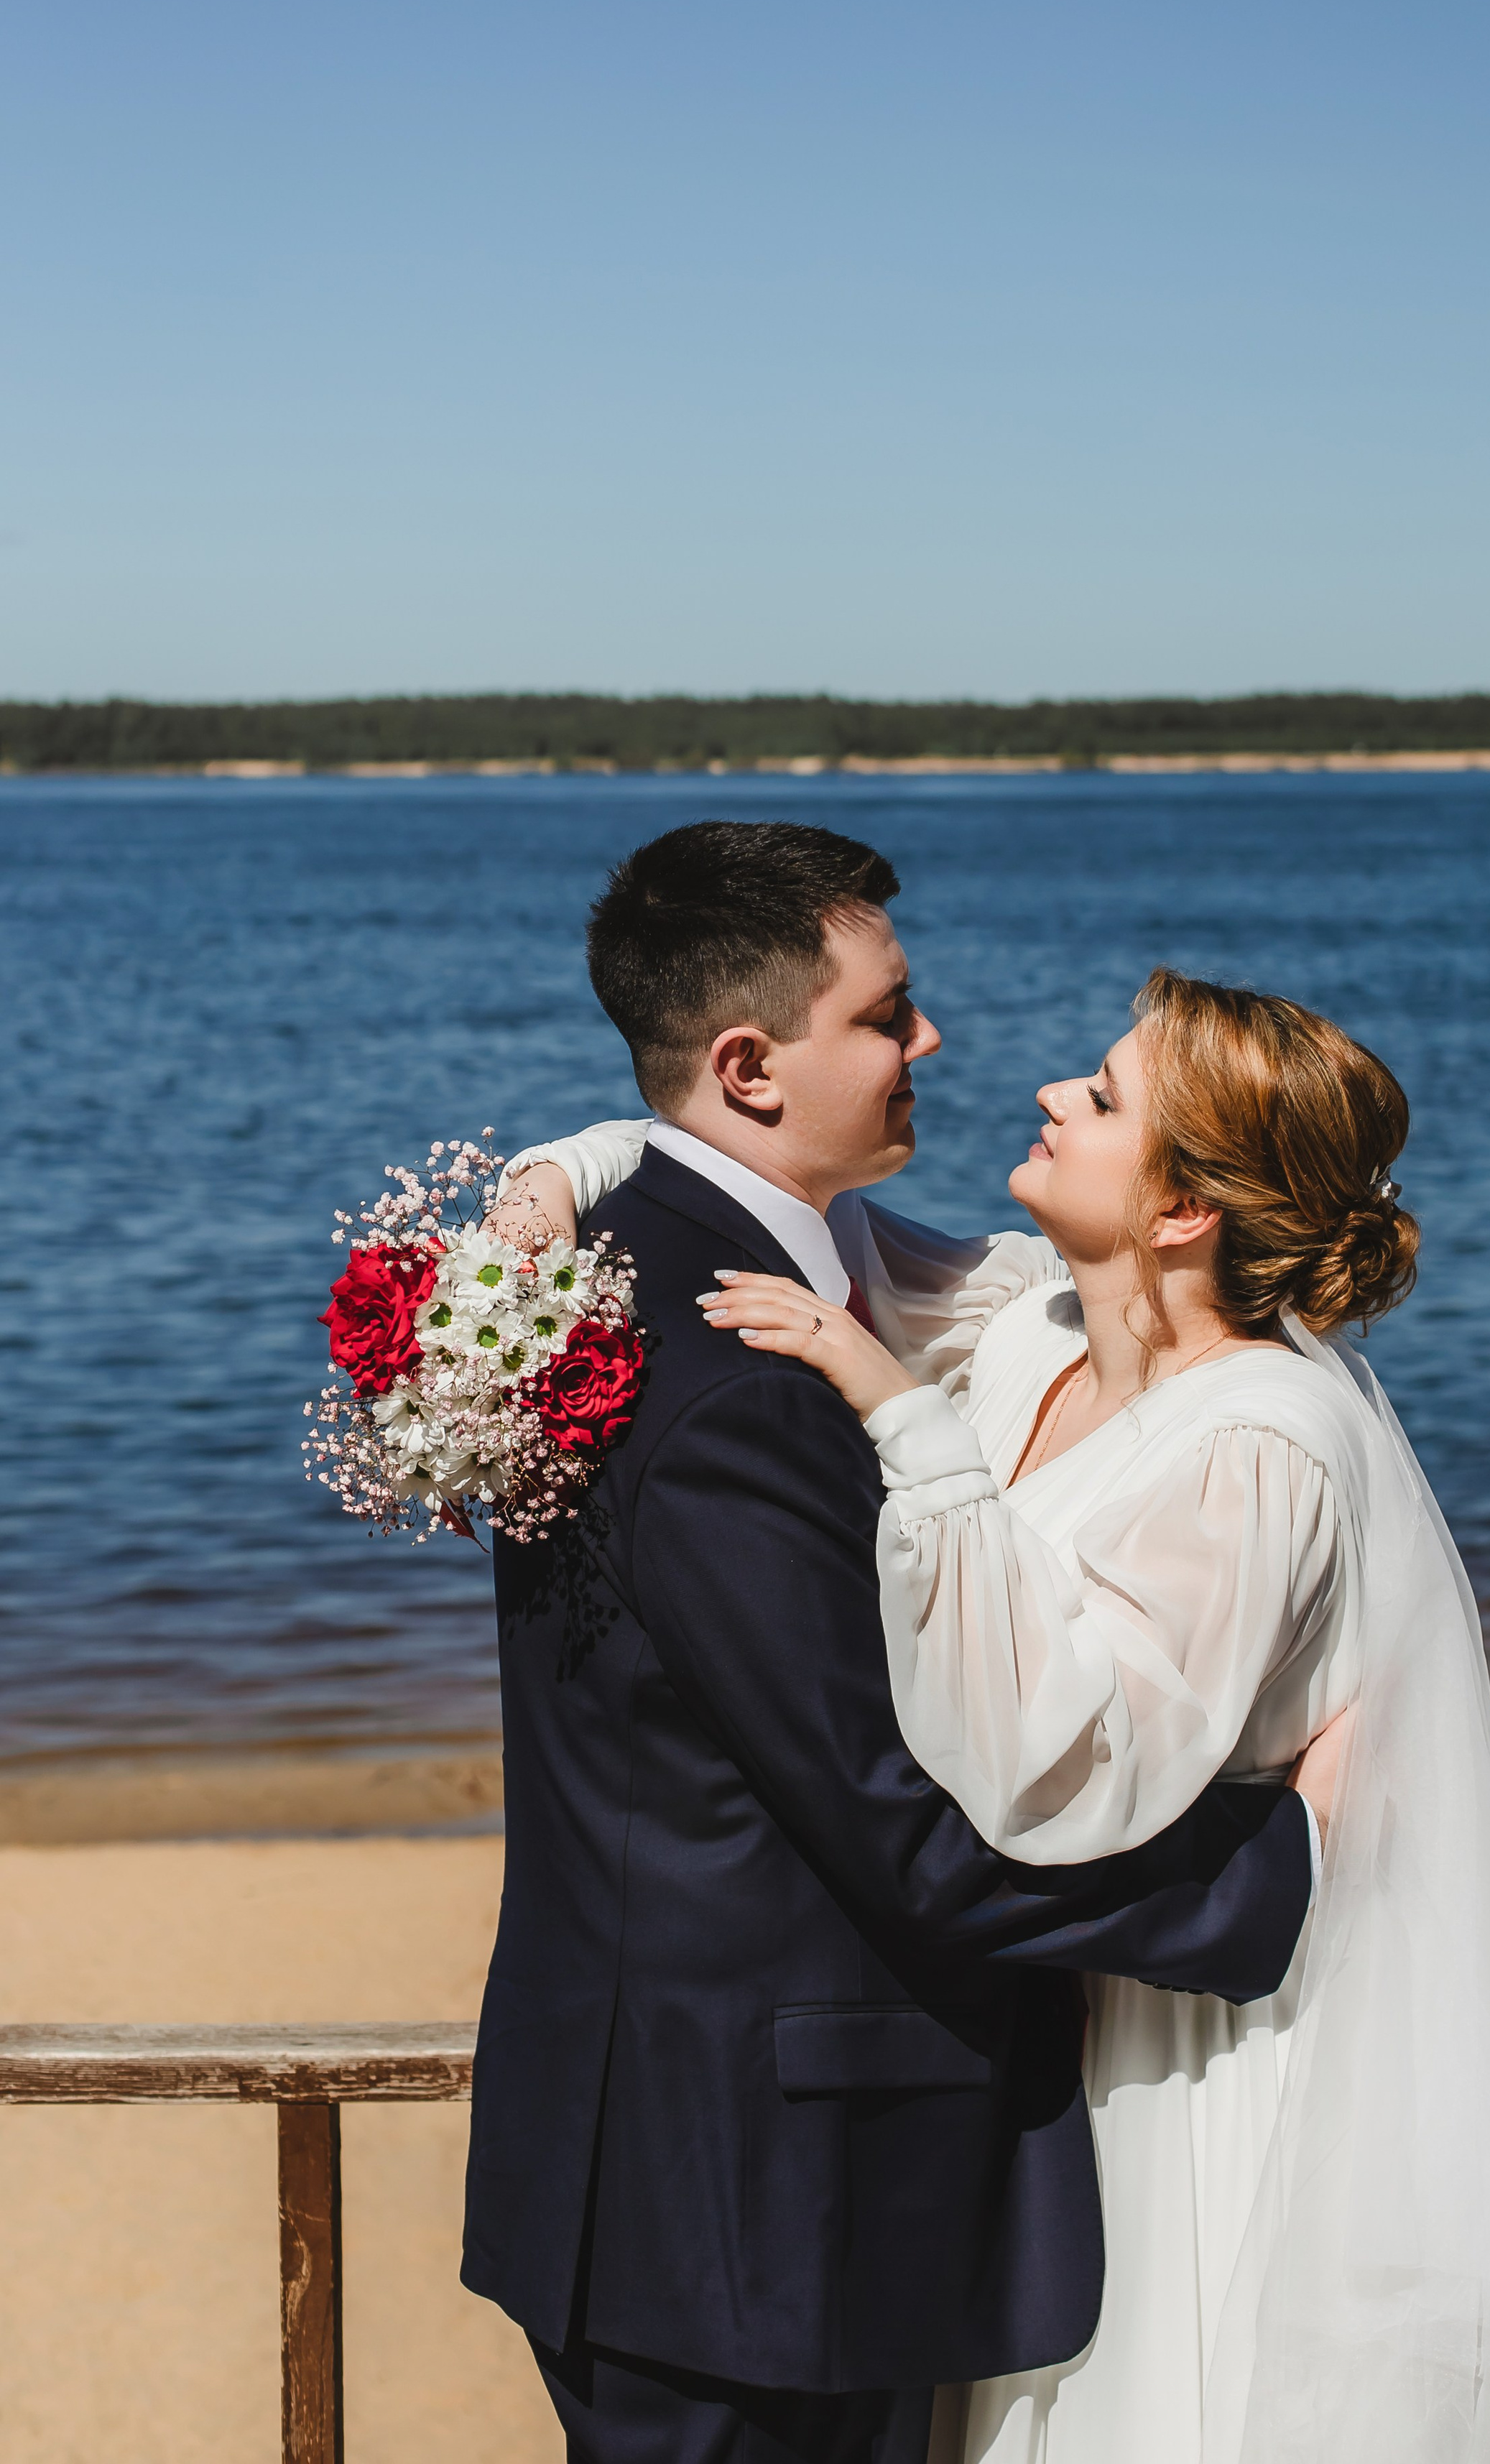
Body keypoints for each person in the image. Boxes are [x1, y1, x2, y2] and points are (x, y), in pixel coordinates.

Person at [519, 956, 1490, 2464]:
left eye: (1106, 1094)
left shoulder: (1261, 1445)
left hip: (1184, 2054)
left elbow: (1050, 1780)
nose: (1053, 1090)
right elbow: (779, 1193)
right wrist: (574, 1165)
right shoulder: (1028, 1323)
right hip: (1046, 2031)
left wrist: (903, 1420)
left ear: (1182, 1209)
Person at [462, 821, 1333, 2464]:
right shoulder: (732, 1386)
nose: (930, 1040)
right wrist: (1266, 1864)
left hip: (687, 2175)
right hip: (744, 2211)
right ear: (747, 1067)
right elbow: (904, 1821)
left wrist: (584, 1155)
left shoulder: (662, 1259)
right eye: (884, 1015)